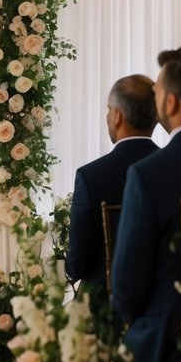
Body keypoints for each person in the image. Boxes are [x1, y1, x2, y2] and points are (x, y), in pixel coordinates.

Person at [111, 48, 181, 362]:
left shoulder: (149, 175)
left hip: (171, 345)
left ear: (171, 103)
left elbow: (127, 288)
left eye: (158, 92)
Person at [65, 75, 158, 292]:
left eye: (108, 109)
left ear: (117, 116)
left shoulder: (91, 176)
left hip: (105, 308)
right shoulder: (174, 169)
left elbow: (77, 264)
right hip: (164, 301)